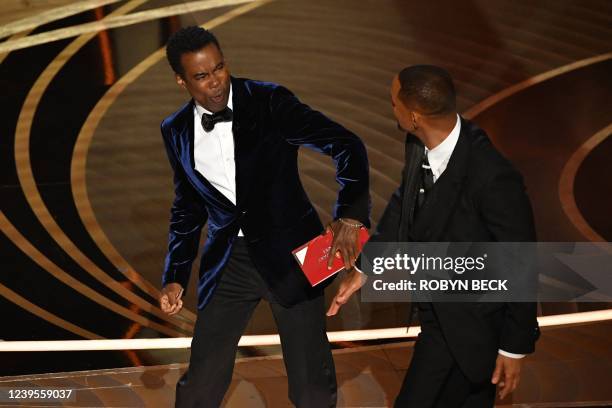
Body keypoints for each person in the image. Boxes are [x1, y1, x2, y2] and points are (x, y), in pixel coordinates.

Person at [157, 26, 370, 408]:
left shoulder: (270, 101)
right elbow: (187, 207)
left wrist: (350, 216)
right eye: (202, 76)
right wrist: (175, 276)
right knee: (201, 381)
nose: (216, 83)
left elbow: (346, 145)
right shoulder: (174, 131)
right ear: (180, 79)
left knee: (311, 385)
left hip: (295, 256)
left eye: (219, 68)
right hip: (228, 263)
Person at [327, 65, 539, 407]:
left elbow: (522, 262)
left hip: (474, 325)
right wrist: (366, 267)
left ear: (413, 116)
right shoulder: (418, 143)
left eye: (393, 102)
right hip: (438, 316)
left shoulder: (493, 177)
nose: (390, 107)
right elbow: (403, 203)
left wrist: (514, 347)